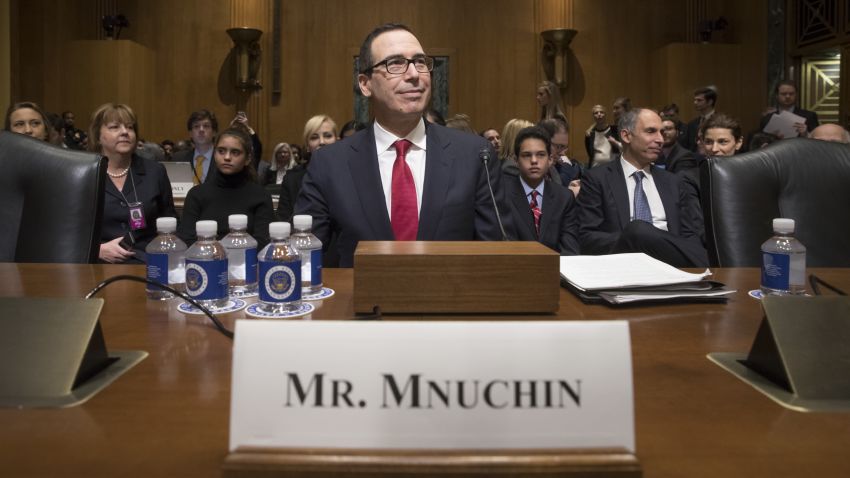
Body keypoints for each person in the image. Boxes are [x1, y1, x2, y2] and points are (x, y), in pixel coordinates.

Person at [294, 23, 511, 267]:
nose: (414, 74)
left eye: (420, 62)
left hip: (451, 300)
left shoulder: (474, 155)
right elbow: (305, 262)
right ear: (365, 84)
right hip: (360, 302)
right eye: (395, 63)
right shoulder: (330, 163)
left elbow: (496, 252)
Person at [577, 108, 708, 268]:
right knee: (637, 229)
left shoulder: (674, 182)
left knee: (640, 231)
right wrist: (634, 240)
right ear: (626, 136)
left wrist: (647, 239)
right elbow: (587, 237)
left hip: (672, 265)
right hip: (622, 264)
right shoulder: (598, 179)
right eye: (651, 131)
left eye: (661, 132)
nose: (660, 139)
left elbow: (690, 238)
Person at [89, 103, 176, 264]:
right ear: (97, 136)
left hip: (148, 262)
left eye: (130, 127)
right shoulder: (85, 174)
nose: (124, 132)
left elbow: (170, 221)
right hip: (99, 264)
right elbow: (68, 232)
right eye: (115, 127)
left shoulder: (154, 171)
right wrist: (96, 250)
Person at [177, 128, 273, 248]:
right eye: (221, 151)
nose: (227, 157)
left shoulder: (260, 196)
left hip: (246, 262)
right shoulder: (197, 194)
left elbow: (263, 242)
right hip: (205, 261)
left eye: (235, 152)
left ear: (248, 159)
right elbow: (186, 238)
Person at [503, 126, 579, 254]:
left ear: (550, 160)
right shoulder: (501, 195)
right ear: (516, 161)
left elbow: (570, 249)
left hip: (556, 270)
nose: (534, 161)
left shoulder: (564, 197)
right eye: (527, 155)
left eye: (540, 155)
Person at [276, 114, 338, 221]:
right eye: (314, 138)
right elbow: (283, 220)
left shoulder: (349, 175)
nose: (322, 142)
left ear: (338, 141)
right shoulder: (292, 179)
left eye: (328, 136)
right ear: (307, 146)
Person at [171, 109, 218, 184]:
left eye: (206, 126)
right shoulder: (179, 158)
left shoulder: (222, 159)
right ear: (190, 133)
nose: (201, 130)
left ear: (214, 132)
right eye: (196, 126)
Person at [683, 86, 717, 152]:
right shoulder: (691, 124)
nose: (695, 103)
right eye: (695, 100)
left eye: (699, 100)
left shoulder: (721, 122)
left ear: (710, 102)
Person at [584, 104, 619, 168]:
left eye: (601, 112)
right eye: (596, 113)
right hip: (595, 168)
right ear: (593, 116)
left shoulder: (614, 130)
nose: (599, 114)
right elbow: (590, 152)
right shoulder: (590, 134)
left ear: (605, 114)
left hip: (612, 168)